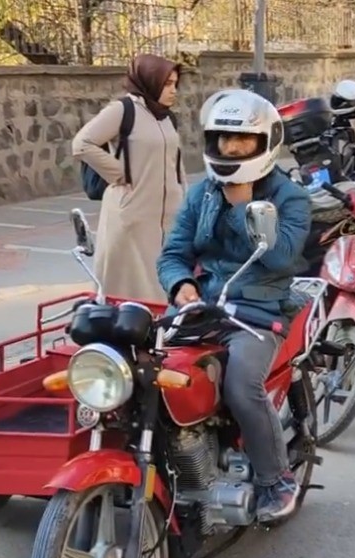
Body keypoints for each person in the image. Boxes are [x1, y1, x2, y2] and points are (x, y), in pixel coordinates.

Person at [157, 89, 311, 522]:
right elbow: (173, 253)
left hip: (259, 311)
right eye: (222, 138)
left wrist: (244, 206)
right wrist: (180, 284)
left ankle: (275, 479)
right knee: (141, 364)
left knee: (242, 385)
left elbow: (280, 257)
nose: (229, 148)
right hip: (203, 306)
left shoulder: (289, 197)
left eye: (240, 140)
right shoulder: (202, 192)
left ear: (263, 142)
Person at [73, 54, 185, 305]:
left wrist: (184, 199)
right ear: (150, 81)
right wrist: (119, 173)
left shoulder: (167, 117)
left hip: (167, 219)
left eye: (176, 84)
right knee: (129, 291)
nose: (173, 91)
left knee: (164, 285)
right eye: (167, 84)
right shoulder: (124, 110)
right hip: (131, 218)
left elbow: (176, 164)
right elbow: (82, 144)